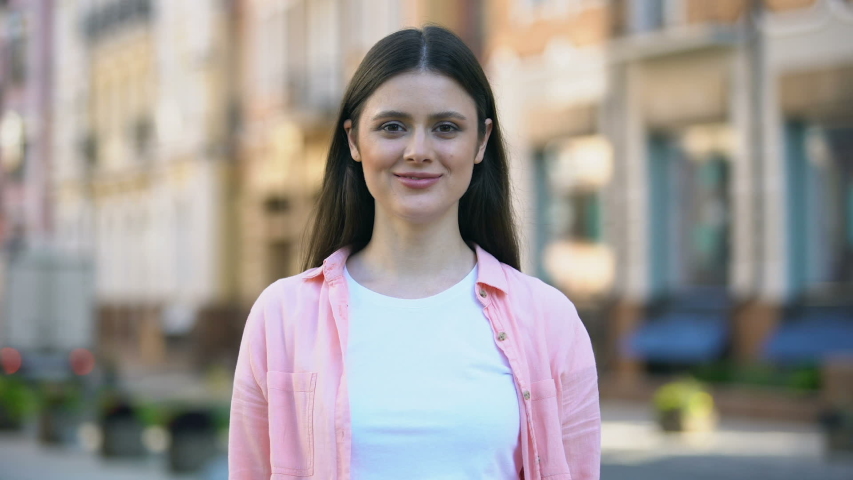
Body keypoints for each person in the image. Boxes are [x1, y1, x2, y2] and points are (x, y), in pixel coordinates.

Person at [229, 25, 600, 480]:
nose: (418, 151)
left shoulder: (550, 321)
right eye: (392, 127)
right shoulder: (281, 317)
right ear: (353, 140)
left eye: (446, 128)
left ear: (481, 141)